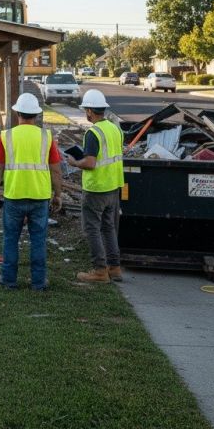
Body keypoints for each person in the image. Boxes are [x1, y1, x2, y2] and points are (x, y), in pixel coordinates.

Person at [0, 92, 63, 290]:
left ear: (17, 114)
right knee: (38, 240)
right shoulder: (46, 137)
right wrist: (58, 195)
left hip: (14, 196)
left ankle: (8, 280)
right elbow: (56, 169)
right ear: (36, 115)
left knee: (10, 239)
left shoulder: (7, 136)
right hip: (40, 197)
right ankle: (38, 282)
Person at [66, 88, 125, 283]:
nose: (86, 113)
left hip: (97, 188)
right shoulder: (115, 128)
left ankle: (100, 271)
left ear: (90, 111)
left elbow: (90, 163)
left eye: (86, 110)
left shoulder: (93, 133)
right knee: (108, 227)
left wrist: (74, 163)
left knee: (92, 229)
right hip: (113, 186)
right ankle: (114, 267)